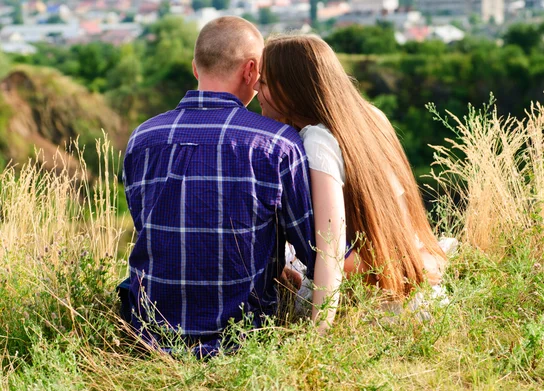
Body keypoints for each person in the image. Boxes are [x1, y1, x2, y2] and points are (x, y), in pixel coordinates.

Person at [121, 17, 315, 356]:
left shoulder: (142, 137)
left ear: (196, 69)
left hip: (148, 334)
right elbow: (316, 250)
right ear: (251, 71)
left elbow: (155, 230)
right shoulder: (276, 143)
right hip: (242, 339)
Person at [254, 34, 447, 330]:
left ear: (289, 88)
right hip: (416, 295)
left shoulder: (317, 139)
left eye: (264, 82)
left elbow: (331, 249)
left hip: (370, 307)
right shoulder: (373, 117)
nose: (255, 88)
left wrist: (318, 337)